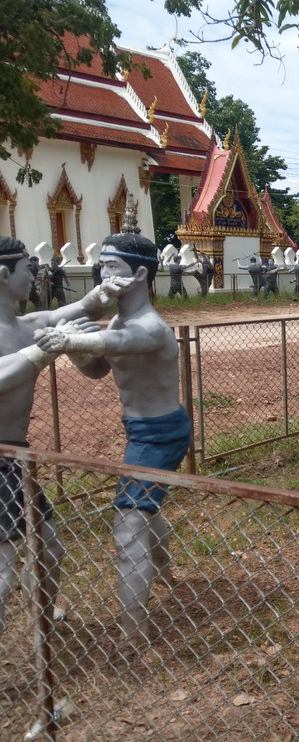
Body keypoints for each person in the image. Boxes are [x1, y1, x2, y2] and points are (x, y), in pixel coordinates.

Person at [36, 232, 191, 647]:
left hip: (162, 434)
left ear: (140, 273)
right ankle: (165, 568)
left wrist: (72, 339)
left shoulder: (150, 327)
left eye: (113, 267)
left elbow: (120, 343)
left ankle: (132, 633)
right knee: (144, 508)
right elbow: (99, 369)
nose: (102, 274)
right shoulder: (120, 319)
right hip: (139, 431)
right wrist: (75, 349)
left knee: (127, 528)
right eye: (101, 265)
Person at [0, 236, 119, 639]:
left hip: (15, 460)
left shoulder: (25, 325)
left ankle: (42, 631)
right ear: (3, 274)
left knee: (49, 550)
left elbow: (79, 309)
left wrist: (105, 290)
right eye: (26, 269)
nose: (33, 275)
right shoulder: (27, 335)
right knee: (3, 570)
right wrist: (41, 354)